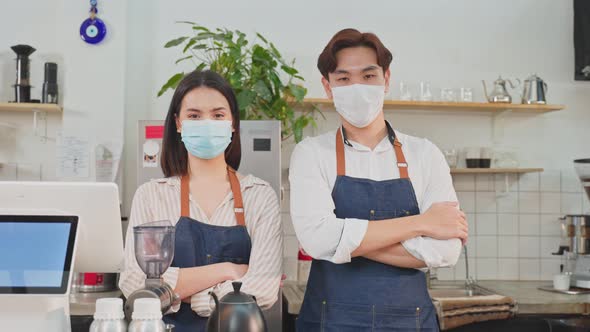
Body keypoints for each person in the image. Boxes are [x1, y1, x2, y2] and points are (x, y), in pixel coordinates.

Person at [289, 29, 468, 331]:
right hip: (330, 322)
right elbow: (316, 241)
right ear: (328, 86)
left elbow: (446, 251)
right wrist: (421, 223)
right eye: (343, 79)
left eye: (368, 76)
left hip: (408, 322)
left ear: (386, 79)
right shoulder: (311, 153)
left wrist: (343, 241)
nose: (356, 87)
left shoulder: (425, 154)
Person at [119, 70, 282, 332]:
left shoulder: (259, 195)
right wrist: (228, 270)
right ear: (178, 123)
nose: (206, 123)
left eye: (218, 115)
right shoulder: (151, 195)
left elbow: (262, 289)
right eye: (194, 116)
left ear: (232, 124)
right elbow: (135, 285)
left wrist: (177, 292)